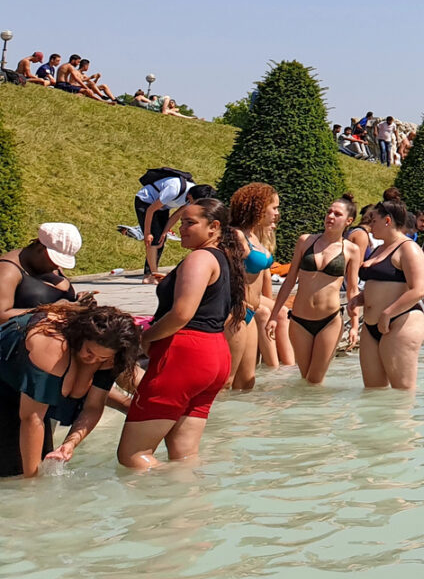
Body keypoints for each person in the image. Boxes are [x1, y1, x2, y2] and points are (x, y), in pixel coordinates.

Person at [117, 196, 244, 469]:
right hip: (214, 356)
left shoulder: (199, 258)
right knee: (184, 456)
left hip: (184, 355)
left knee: (132, 456)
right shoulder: (223, 257)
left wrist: (144, 338)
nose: (182, 229)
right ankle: (190, 506)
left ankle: (152, 509)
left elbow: (182, 314)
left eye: (190, 223)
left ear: (214, 227)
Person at [0, 302, 139, 478]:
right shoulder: (52, 345)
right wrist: (32, 486)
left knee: (40, 461)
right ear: (80, 337)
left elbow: (93, 407)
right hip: (5, 379)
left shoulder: (112, 358)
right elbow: (32, 419)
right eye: (89, 351)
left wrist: (70, 444)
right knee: (15, 474)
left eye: (102, 357)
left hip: (21, 387)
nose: (93, 359)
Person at [268, 196, 363, 385]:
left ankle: (323, 414)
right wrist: (273, 315)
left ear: (348, 221)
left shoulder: (351, 250)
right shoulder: (305, 241)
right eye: (329, 211)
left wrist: (353, 325)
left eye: (337, 214)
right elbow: (289, 281)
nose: (330, 216)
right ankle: (306, 414)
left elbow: (352, 290)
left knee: (315, 379)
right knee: (305, 379)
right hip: (299, 319)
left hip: (329, 320)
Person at [356, 199, 424, 390]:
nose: (370, 226)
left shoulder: (408, 248)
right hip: (372, 325)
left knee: (402, 392)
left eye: (373, 221)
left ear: (387, 220)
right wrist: (360, 298)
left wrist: (388, 313)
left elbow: (418, 290)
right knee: (372, 391)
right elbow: (380, 285)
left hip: (400, 322)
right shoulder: (379, 249)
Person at [226, 183, 279, 391]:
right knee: (226, 381)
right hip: (235, 312)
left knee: (247, 381)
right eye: (274, 207)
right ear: (259, 206)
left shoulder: (253, 235)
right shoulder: (236, 236)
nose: (277, 213)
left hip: (250, 312)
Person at [121, 167, 194, 282]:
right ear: (190, 196)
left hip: (163, 207)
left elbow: (176, 216)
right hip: (145, 202)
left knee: (160, 239)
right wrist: (147, 232)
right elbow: (150, 210)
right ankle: (151, 275)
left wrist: (165, 232)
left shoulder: (193, 198)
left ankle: (151, 273)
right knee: (152, 239)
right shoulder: (173, 189)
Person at [0, 223, 83, 323]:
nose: (57, 266)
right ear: (40, 248)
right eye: (54, 260)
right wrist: (49, 310)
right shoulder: (8, 270)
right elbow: (2, 315)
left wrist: (78, 302)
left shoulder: (47, 264)